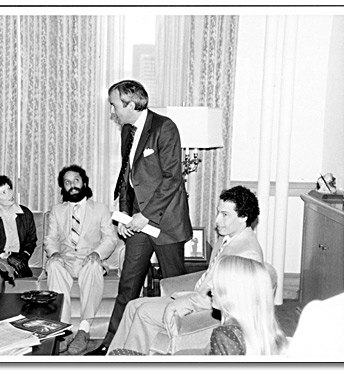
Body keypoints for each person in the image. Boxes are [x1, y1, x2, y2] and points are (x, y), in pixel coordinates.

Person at [88, 80, 192, 355]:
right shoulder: (127, 131)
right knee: (128, 285)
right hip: (137, 225)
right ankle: (110, 346)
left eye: (114, 105)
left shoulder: (164, 128)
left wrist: (145, 216)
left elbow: (172, 179)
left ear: (131, 104)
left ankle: (177, 346)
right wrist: (124, 217)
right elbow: (126, 178)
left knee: (175, 288)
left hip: (165, 223)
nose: (113, 111)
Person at [101, 185, 264, 355]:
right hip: (195, 296)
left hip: (206, 310)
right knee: (133, 305)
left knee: (144, 312)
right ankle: (113, 358)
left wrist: (183, 303)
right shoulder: (228, 237)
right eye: (218, 213)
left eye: (225, 215)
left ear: (243, 217)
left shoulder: (246, 253)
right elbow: (210, 275)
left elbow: (229, 301)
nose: (217, 221)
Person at [110, 255, 287, 356]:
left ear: (233, 292)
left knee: (118, 355)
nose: (210, 288)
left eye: (218, 283)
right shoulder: (266, 332)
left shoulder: (226, 334)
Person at [44, 165, 118, 355]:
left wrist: (98, 253)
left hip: (89, 260)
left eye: (76, 180)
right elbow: (50, 240)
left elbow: (110, 239)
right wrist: (54, 254)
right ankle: (65, 330)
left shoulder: (100, 209)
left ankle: (83, 330)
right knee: (52, 266)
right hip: (66, 261)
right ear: (63, 187)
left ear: (84, 182)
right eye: (67, 183)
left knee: (93, 265)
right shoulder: (57, 210)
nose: (72, 185)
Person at [0, 174, 37, 292]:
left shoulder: (25, 214)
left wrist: (23, 257)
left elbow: (31, 241)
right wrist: (6, 257)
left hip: (18, 263)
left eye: (9, 189)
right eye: (3, 192)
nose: (10, 194)